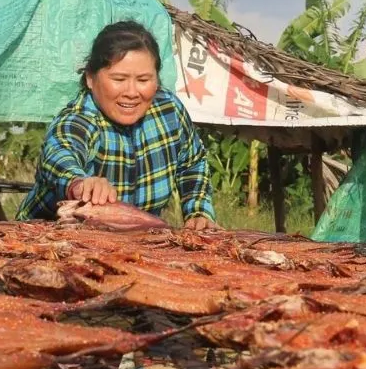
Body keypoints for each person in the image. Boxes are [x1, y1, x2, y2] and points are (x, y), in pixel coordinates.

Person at [16, 20, 216, 230]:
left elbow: (192, 162)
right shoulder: (80, 119)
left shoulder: (169, 111)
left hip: (136, 240)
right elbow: (59, 154)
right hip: (49, 239)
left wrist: (198, 209)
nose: (131, 92)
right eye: (119, 79)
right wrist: (80, 183)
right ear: (91, 78)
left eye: (143, 79)